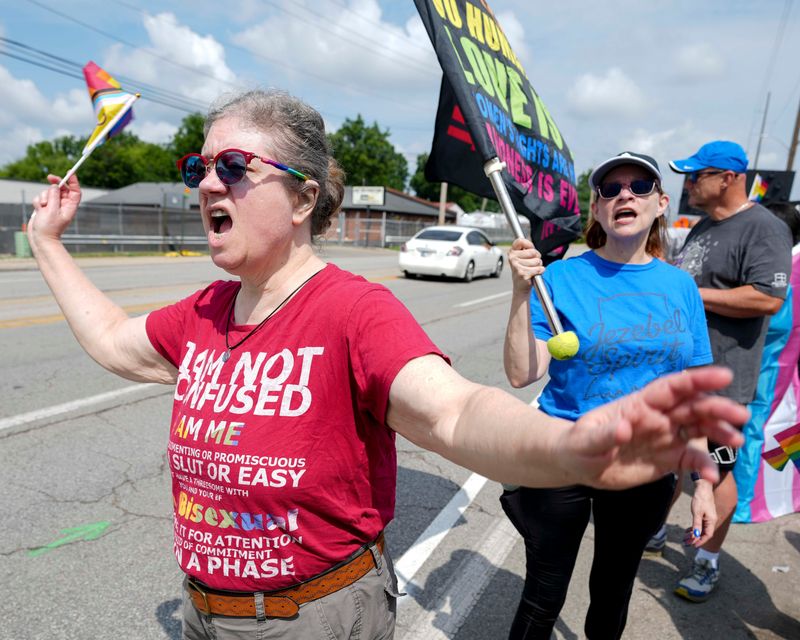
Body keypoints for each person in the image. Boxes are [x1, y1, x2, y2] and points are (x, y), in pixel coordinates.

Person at [27, 92, 747, 640]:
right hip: (204, 614)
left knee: (608, 585)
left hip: (314, 616)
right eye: (200, 167)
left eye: (236, 167)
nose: (209, 184)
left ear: (305, 197)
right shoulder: (202, 313)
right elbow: (114, 340)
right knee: (546, 586)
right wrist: (49, 243)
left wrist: (576, 448)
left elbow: (454, 410)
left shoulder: (353, 311)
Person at [500, 151, 717, 639]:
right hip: (565, 452)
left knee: (614, 587)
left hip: (644, 461)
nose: (625, 194)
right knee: (543, 592)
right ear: (596, 210)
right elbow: (520, 373)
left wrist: (704, 481)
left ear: (660, 204)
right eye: (611, 189)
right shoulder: (558, 277)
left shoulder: (681, 287)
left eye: (639, 187)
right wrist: (518, 294)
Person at [660, 141, 793, 603]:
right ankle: (661, 527)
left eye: (697, 176)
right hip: (685, 374)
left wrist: (692, 295)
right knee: (678, 457)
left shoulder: (763, 229)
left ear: (729, 178)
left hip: (723, 380)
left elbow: (767, 299)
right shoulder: (703, 227)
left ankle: (707, 561)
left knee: (715, 473)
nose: (689, 184)